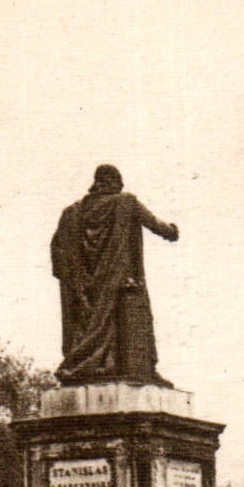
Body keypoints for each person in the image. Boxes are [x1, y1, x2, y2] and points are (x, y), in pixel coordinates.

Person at [51, 164, 180, 386]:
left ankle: (91, 365)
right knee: (127, 320)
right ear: (116, 182)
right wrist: (172, 231)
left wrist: (77, 279)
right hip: (117, 281)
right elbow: (157, 226)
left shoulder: (71, 213)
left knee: (94, 323)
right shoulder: (125, 202)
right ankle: (133, 369)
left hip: (83, 290)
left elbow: (57, 250)